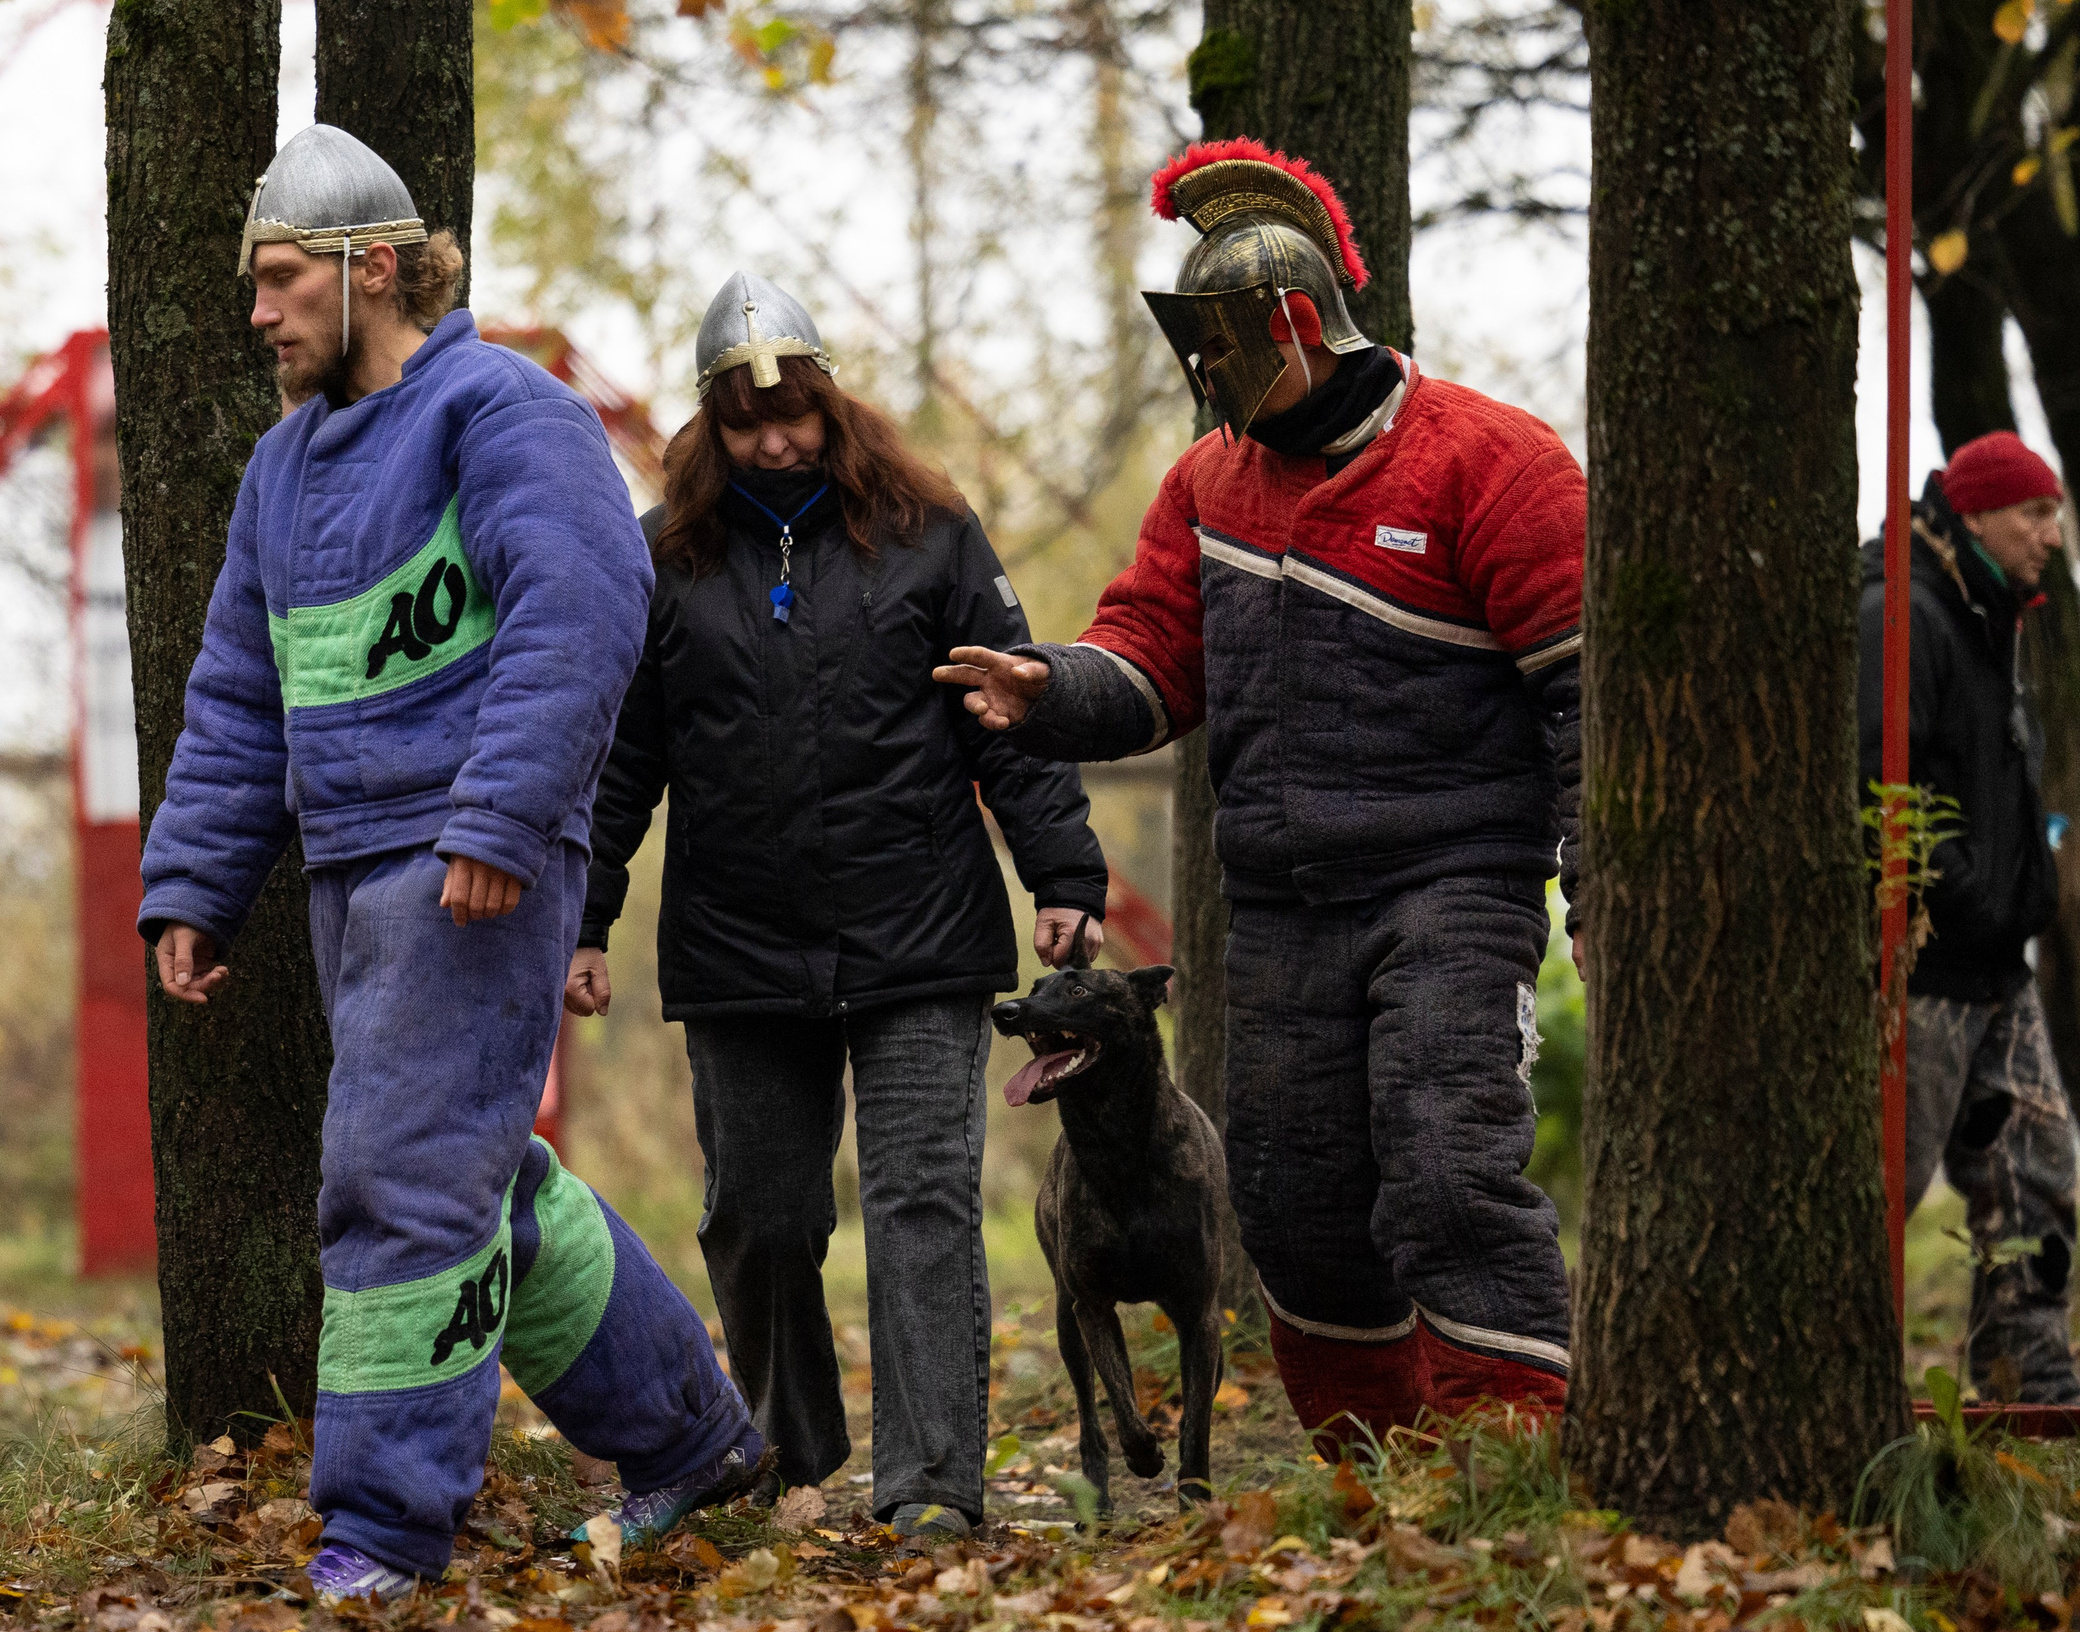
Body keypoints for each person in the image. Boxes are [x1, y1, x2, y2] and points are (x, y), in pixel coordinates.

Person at [137, 124, 766, 1605]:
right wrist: (196, 884)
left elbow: (587, 605)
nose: (258, 310)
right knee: (481, 1183)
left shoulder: (505, 411)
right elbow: (240, 690)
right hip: (353, 873)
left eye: (282, 278)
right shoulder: (281, 470)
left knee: (397, 1184)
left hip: (474, 861)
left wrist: (500, 814)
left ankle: (385, 1529)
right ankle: (691, 1438)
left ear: (373, 269)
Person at [937, 139, 1586, 1451]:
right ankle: (1370, 1472)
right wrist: (1046, 684)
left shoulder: (1491, 461)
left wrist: (1605, 879)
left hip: (1454, 880)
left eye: (1230, 346)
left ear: (1302, 325)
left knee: (1447, 1166)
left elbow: (1587, 687)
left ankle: (1504, 1458)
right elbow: (1152, 655)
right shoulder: (1207, 485)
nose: (1214, 376)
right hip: (1283, 901)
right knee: (1290, 1195)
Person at [566, 272, 1109, 1544]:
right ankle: (788, 1454)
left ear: (831, 405)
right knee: (760, 1212)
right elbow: (621, 758)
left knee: (921, 1199)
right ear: (712, 424)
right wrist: (583, 921)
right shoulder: (663, 559)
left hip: (918, 929)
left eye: (794, 416)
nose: (775, 443)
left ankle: (928, 1485)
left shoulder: (932, 534)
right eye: (748, 424)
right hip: (739, 941)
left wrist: (1064, 877)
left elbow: (1006, 722)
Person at [1860, 430, 2077, 1404]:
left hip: (1998, 972)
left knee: (2036, 1170)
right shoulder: (1899, 616)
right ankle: (1847, 1394)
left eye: (2056, 512)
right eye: (2036, 512)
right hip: (1923, 970)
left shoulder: (1995, 616)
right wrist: (1970, 898)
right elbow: (1873, 789)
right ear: (1981, 511)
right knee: (1880, 1193)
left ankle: (2025, 1384)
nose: (2053, 534)